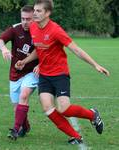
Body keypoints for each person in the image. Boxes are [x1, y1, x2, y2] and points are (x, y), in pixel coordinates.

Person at [15, 0, 110, 144]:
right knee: (47, 108)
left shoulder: (56, 30)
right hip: (44, 75)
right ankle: (76, 136)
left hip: (60, 74)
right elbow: (39, 49)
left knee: (64, 109)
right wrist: (25, 61)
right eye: (34, 10)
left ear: (48, 13)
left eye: (39, 11)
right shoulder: (34, 27)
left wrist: (95, 65)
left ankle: (92, 114)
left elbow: (76, 49)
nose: (34, 13)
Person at [0, 5, 39, 139]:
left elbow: (46, 51)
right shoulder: (15, 29)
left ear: (34, 18)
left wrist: (41, 64)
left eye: (28, 19)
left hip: (32, 72)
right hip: (15, 73)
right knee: (17, 108)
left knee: (24, 96)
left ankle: (15, 129)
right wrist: (3, 49)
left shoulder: (40, 30)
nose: (25, 22)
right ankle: (25, 126)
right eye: (23, 18)